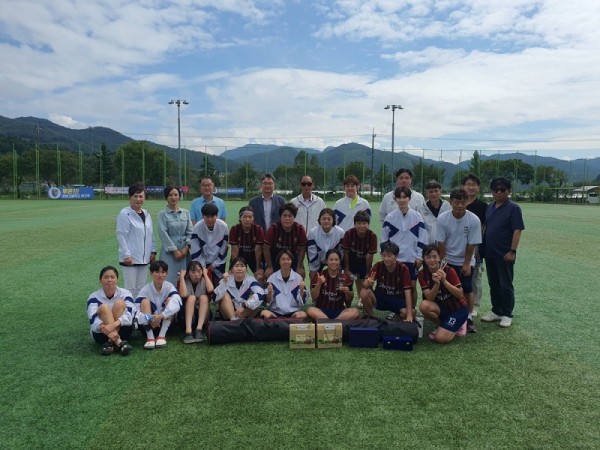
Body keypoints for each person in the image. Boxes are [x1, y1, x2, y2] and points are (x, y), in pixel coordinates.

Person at [436, 188, 482, 333]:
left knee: (467, 289)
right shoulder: (443, 218)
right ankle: (448, 315)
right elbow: (441, 243)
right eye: (456, 202)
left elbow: (471, 243)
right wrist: (442, 264)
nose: (460, 205)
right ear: (450, 202)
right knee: (446, 289)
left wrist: (467, 263)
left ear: (467, 202)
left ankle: (468, 317)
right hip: (448, 260)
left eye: (463, 202)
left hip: (465, 261)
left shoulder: (474, 219)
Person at [481, 177, 525, 328]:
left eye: (502, 190)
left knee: (506, 285)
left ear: (509, 191)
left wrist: (512, 251)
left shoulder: (513, 208)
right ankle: (496, 311)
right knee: (493, 284)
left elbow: (517, 230)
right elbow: (486, 228)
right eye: (495, 190)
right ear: (492, 192)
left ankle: (507, 314)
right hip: (490, 253)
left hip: (505, 254)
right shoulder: (490, 207)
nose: (499, 193)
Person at [381, 186, 428, 308]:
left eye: (404, 197)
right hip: (395, 260)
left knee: (412, 286)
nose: (402, 200)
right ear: (395, 199)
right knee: (397, 287)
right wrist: (387, 257)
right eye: (399, 197)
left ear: (409, 198)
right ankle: (398, 312)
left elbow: (423, 238)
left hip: (412, 259)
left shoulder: (417, 216)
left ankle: (411, 310)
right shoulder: (390, 217)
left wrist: (419, 256)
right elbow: (384, 240)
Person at [418, 244, 469, 343]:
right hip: (443, 308)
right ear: (423, 259)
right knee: (424, 305)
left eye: (434, 256)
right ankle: (445, 325)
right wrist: (437, 284)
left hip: (458, 309)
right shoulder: (422, 274)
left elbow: (460, 294)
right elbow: (429, 298)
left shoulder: (449, 270)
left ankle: (459, 324)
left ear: (439, 257)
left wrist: (444, 281)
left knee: (440, 338)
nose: (432, 260)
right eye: (428, 257)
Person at [116, 182, 157, 299]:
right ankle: (129, 314)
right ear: (130, 197)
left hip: (144, 258)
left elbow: (150, 234)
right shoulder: (125, 213)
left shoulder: (146, 214)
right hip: (130, 258)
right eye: (135, 196)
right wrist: (126, 255)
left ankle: (139, 314)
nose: (138, 199)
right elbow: (121, 235)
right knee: (130, 289)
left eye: (141, 196)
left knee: (141, 288)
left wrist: (153, 251)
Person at [86, 266, 134, 355]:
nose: (109, 280)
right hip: (102, 334)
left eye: (112, 277)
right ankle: (120, 343)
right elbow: (92, 318)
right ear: (100, 280)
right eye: (106, 277)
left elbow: (130, 316)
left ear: (117, 279)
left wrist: (112, 326)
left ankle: (110, 344)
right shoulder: (93, 297)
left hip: (123, 331)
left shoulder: (126, 293)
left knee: (119, 303)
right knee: (104, 307)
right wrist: (105, 329)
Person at [360, 242, 413, 322]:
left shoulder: (403, 269)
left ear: (396, 256)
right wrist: (367, 283)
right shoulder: (378, 266)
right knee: (364, 292)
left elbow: (408, 292)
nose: (386, 259)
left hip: (397, 299)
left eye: (389, 256)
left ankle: (397, 315)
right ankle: (371, 318)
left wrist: (409, 316)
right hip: (381, 297)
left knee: (410, 313)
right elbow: (365, 284)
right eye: (384, 255)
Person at [135, 261, 183, 349]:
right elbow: (136, 311)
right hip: (148, 325)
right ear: (151, 273)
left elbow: (177, 303)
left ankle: (162, 336)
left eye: (163, 272)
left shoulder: (169, 286)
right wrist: (150, 319)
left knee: (171, 300)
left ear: (167, 274)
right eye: (157, 272)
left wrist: (161, 316)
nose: (160, 275)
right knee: (144, 301)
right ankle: (150, 338)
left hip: (166, 324)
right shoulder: (145, 289)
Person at [307, 249, 360, 321]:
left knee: (355, 312)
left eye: (336, 260)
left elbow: (350, 298)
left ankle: (330, 322)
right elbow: (314, 297)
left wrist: (347, 292)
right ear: (326, 261)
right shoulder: (319, 275)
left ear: (340, 261)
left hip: (339, 311)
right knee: (310, 310)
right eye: (331, 260)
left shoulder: (346, 277)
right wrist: (319, 283)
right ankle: (335, 322)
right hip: (322, 311)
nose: (334, 262)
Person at [462, 174, 488, 317]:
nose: (471, 187)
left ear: (478, 188)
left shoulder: (483, 206)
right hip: (458, 246)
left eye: (474, 184)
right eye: (468, 184)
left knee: (475, 276)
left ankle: (475, 305)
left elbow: (484, 228)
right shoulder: (457, 203)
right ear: (463, 187)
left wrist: (479, 248)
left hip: (475, 247)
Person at [158, 185, 193, 286]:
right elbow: (163, 234)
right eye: (170, 195)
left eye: (176, 195)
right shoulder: (162, 214)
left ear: (179, 196)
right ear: (166, 197)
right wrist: (175, 251)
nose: (173, 197)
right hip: (169, 252)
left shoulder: (186, 213)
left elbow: (190, 232)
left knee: (185, 277)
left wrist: (186, 248)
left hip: (184, 251)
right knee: (169, 278)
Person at [263, 203, 308, 279]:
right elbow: (266, 248)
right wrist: (270, 267)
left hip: (293, 258)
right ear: (280, 217)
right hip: (275, 257)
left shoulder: (299, 229)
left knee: (300, 275)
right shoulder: (274, 229)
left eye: (290, 216)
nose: (287, 219)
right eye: (284, 216)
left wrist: (299, 267)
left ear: (294, 217)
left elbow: (302, 249)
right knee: (268, 275)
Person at [261, 250, 308, 319]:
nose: (286, 262)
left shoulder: (298, 278)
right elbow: (268, 301)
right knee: (264, 313)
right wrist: (270, 292)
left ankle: (281, 323)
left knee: (302, 314)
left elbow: (302, 301)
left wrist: (301, 290)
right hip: (276, 312)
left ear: (291, 261)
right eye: (283, 259)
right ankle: (282, 322)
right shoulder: (272, 278)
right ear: (279, 262)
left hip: (293, 312)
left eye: (288, 259)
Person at [190, 203, 229, 285]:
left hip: (219, 262)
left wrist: (214, 264)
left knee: (219, 285)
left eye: (212, 216)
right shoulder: (197, 228)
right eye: (207, 217)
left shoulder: (223, 226)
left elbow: (224, 248)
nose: (210, 219)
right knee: (203, 286)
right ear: (203, 216)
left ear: (217, 216)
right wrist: (203, 266)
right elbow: (195, 249)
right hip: (201, 262)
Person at [342, 210, 378, 296]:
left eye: (364, 223)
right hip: (351, 261)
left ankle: (361, 299)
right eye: (359, 223)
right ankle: (345, 300)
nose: (361, 226)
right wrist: (347, 269)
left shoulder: (372, 236)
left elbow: (370, 256)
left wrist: (367, 272)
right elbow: (346, 253)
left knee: (364, 282)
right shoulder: (349, 234)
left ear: (368, 224)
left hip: (363, 262)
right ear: (355, 224)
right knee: (347, 280)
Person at [178, 261, 214, 344]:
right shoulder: (183, 280)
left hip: (203, 318)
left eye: (199, 271)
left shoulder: (204, 280)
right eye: (193, 272)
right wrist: (182, 278)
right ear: (188, 273)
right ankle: (188, 332)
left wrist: (205, 274)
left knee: (204, 297)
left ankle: (199, 330)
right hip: (186, 318)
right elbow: (183, 294)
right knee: (191, 298)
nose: (197, 274)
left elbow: (210, 289)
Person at [229, 205, 265, 283]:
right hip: (240, 255)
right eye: (245, 217)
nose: (247, 219)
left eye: (250, 217)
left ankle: (260, 293)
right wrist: (232, 267)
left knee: (260, 277)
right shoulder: (234, 229)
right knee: (235, 275)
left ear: (253, 218)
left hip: (254, 256)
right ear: (240, 218)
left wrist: (258, 267)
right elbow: (234, 251)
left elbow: (258, 250)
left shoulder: (258, 229)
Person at [306, 208, 345, 279]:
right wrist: (314, 270)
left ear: (333, 220)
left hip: (334, 260)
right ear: (319, 220)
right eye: (323, 219)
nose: (326, 221)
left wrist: (338, 267)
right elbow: (312, 254)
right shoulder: (313, 233)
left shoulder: (340, 232)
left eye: (329, 219)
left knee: (338, 280)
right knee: (314, 278)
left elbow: (341, 253)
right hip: (319, 260)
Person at [416, 180, 451, 244]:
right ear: (426, 193)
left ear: (440, 192)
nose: (434, 194)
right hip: (428, 246)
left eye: (436, 191)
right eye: (431, 192)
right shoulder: (421, 209)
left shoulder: (448, 206)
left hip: (446, 245)